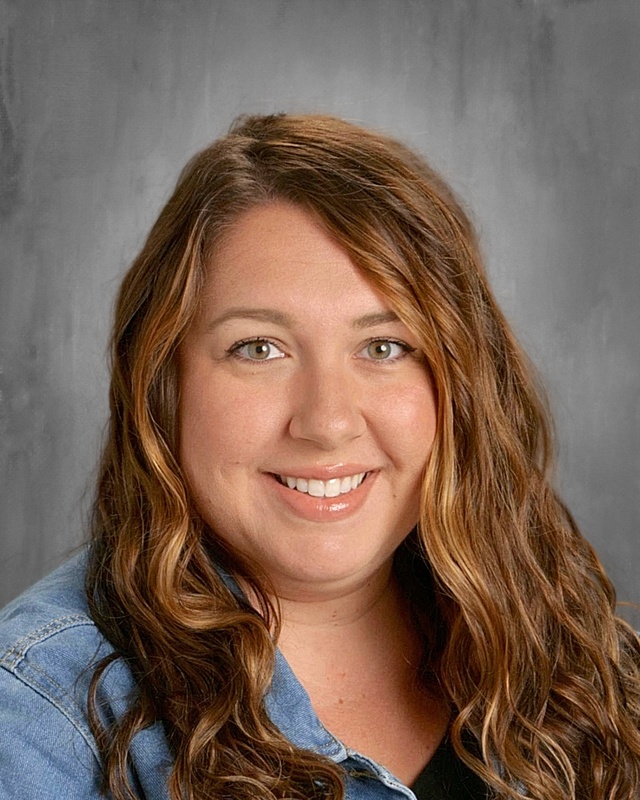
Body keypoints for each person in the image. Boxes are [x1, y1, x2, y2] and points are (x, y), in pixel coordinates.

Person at [1, 113, 639, 800]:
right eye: (259, 348)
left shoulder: (568, 644)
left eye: (385, 347)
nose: (328, 422)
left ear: (461, 383)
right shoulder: (38, 719)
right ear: (162, 383)